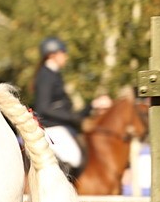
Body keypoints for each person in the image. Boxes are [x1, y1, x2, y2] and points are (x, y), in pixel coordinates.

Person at [32, 36, 111, 179]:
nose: (66, 56)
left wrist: (93, 105)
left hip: (63, 127)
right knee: (74, 157)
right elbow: (43, 108)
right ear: (52, 54)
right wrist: (74, 118)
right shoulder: (46, 75)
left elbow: (67, 112)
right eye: (63, 52)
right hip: (52, 128)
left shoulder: (55, 74)